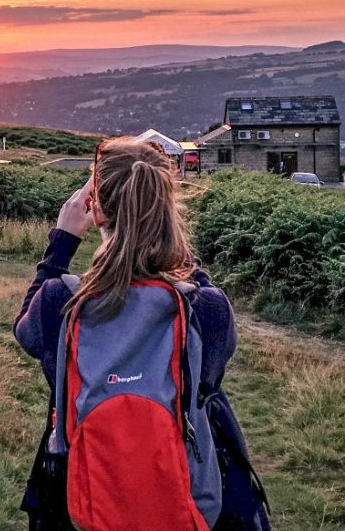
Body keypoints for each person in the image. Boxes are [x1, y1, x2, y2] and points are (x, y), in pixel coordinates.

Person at [14, 137, 269, 530]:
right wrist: (172, 244)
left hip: (82, 497)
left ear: (95, 210)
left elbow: (24, 330)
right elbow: (211, 368)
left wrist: (62, 242)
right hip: (191, 499)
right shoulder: (205, 309)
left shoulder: (58, 304)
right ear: (167, 210)